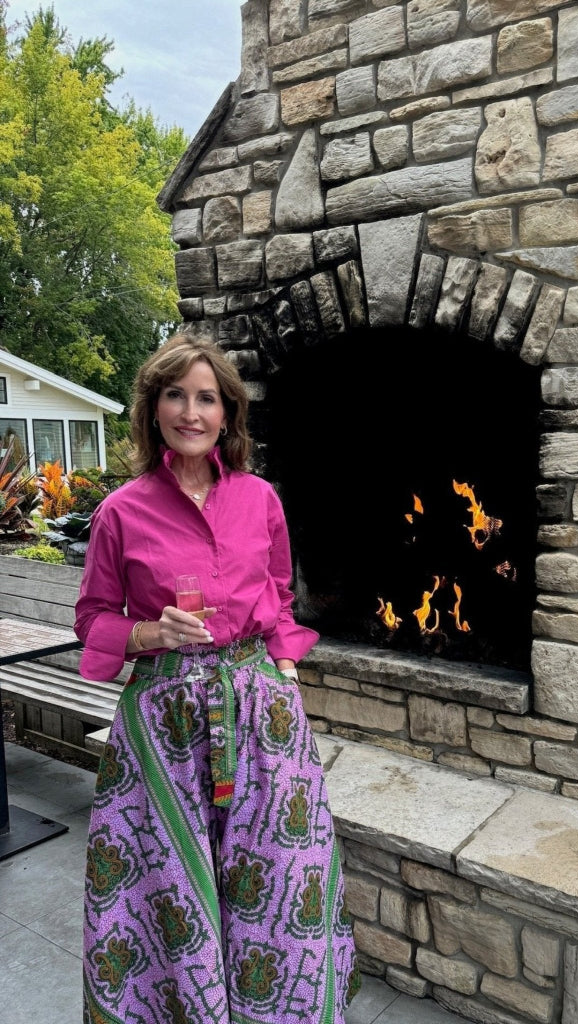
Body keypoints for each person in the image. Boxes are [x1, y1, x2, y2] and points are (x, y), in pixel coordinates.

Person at [75, 333, 359, 1024]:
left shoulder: (260, 499)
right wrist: (150, 633)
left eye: (207, 398)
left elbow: (279, 596)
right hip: (163, 726)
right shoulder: (122, 511)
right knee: (170, 884)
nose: (191, 411)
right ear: (153, 409)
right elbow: (91, 619)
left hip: (262, 715)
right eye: (176, 395)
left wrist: (286, 673)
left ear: (228, 413)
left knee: (282, 876)